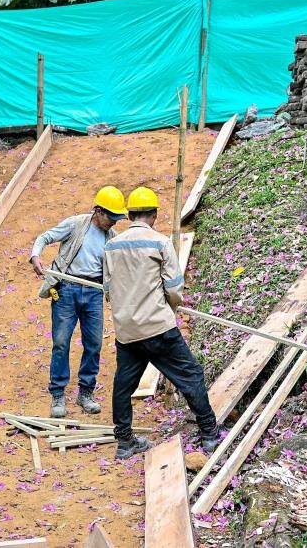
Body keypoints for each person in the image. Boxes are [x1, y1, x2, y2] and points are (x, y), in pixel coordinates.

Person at [103, 186, 220, 460]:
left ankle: (124, 442)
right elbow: (174, 287)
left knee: (124, 385)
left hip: (127, 331)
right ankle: (209, 434)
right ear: (154, 214)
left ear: (129, 214)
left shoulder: (111, 246)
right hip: (157, 327)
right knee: (190, 376)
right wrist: (172, 307)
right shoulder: (159, 242)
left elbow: (108, 288)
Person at [30, 186, 128, 418]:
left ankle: (86, 393)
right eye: (110, 217)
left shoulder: (112, 239)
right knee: (61, 342)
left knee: (93, 343)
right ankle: (58, 394)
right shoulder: (76, 224)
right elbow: (45, 237)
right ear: (98, 211)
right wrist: (35, 256)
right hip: (66, 289)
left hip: (93, 292)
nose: (113, 223)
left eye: (116, 219)